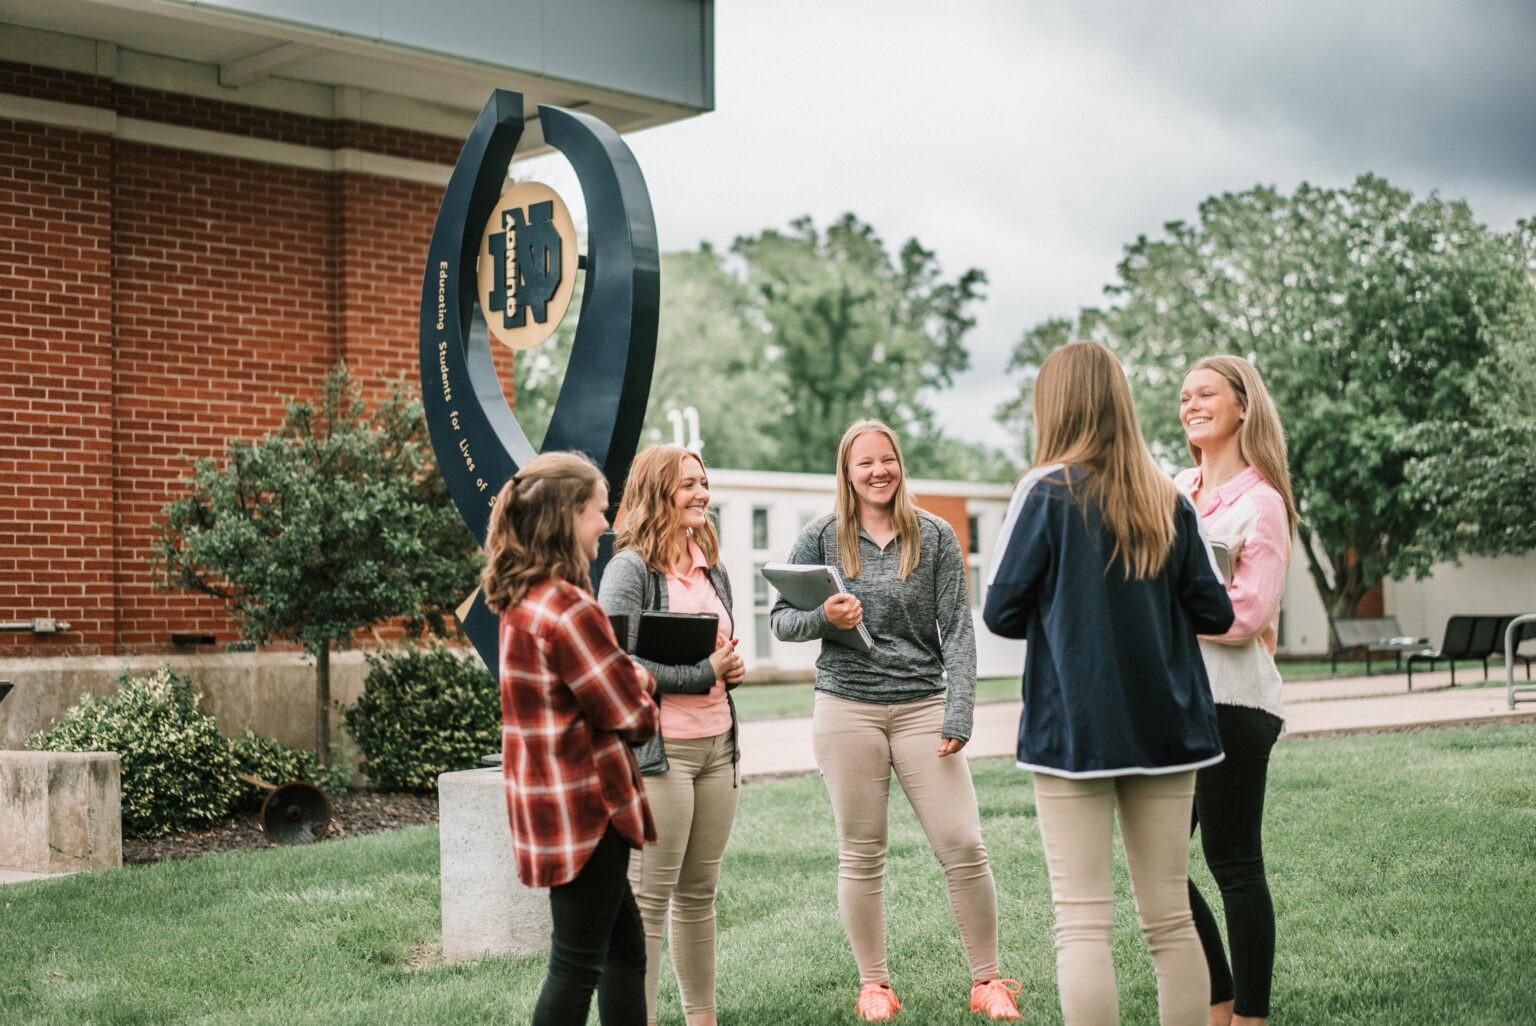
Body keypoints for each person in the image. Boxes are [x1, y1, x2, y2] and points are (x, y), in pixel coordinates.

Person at [983, 340, 1235, 1026]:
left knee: (1082, 923)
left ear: (1055, 406)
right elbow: (1216, 609)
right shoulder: (1170, 498)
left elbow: (1001, 610)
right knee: (1169, 918)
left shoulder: (1045, 491)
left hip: (1074, 731)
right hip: (1170, 726)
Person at [770, 419, 1023, 1022]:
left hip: (921, 707)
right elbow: (782, 620)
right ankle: (875, 986)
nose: (879, 471)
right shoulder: (822, 538)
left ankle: (988, 981)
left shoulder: (933, 535)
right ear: (848, 472)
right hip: (846, 708)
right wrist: (825, 618)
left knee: (963, 844)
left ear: (899, 464)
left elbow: (958, 630)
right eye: (866, 463)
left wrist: (959, 709)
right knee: (861, 852)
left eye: (888, 460)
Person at [480, 451, 659, 1026]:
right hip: (589, 810)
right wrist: (645, 677)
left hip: (550, 805)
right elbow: (632, 712)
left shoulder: (521, 603)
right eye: (597, 513)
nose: (606, 526)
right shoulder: (568, 607)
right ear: (565, 515)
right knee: (577, 966)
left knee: (623, 953)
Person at [597, 444, 746, 1026]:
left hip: (718, 749)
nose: (702, 494)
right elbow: (610, 662)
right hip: (660, 757)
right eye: (688, 484)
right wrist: (701, 674)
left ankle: (701, 1019)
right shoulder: (629, 569)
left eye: (703, 482)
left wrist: (728, 669)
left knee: (699, 896)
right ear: (658, 492)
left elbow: (720, 652)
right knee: (648, 902)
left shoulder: (712, 564)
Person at [1176, 355, 1298, 1026]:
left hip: (1235, 705)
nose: (1192, 403)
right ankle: (1218, 1000)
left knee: (1233, 863)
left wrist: (1171, 599)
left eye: (1208, 393)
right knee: (1163, 868)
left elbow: (1246, 614)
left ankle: (1249, 1017)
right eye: (1186, 394)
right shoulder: (1174, 487)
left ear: (1243, 406)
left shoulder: (1262, 502)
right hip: (1175, 703)